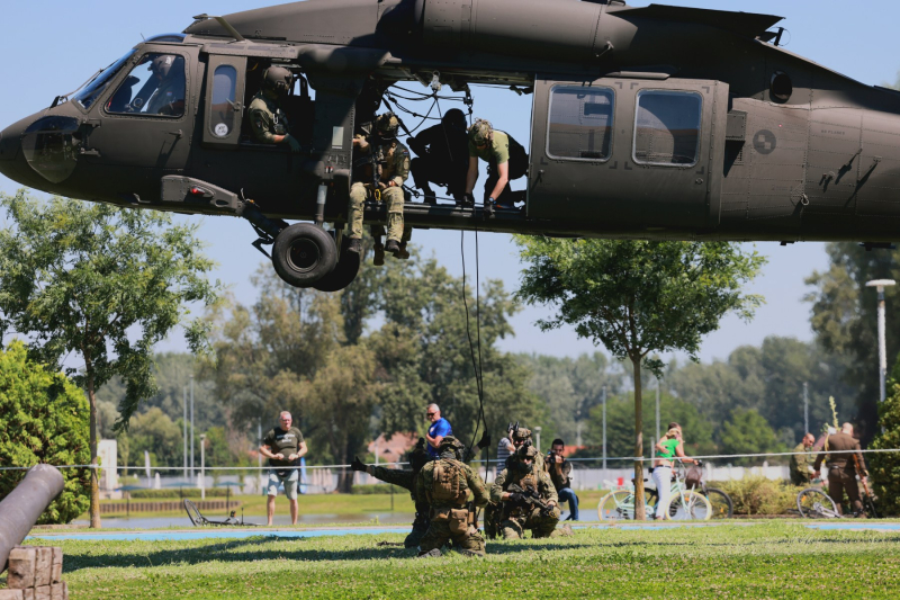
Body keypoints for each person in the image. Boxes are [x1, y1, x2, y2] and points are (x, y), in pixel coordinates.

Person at [348, 112, 410, 259]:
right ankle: (354, 239)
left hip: (387, 186)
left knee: (397, 195)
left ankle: (393, 239)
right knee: (355, 195)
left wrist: (392, 183)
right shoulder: (366, 139)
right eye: (379, 130)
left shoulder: (400, 150)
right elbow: (341, 140)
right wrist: (359, 143)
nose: (381, 133)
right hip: (366, 184)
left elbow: (403, 175)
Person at [414, 436, 489, 557]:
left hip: (437, 525)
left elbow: (420, 497)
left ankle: (435, 552)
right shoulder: (465, 469)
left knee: (424, 550)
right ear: (458, 452)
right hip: (462, 524)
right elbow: (484, 497)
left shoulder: (426, 469)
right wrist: (474, 505)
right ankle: (464, 552)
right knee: (478, 549)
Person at [351, 438, 431, 548]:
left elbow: (388, 474)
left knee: (411, 543)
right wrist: (364, 467)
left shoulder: (413, 478)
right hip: (437, 521)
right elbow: (388, 474)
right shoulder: (418, 477)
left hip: (430, 523)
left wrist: (364, 468)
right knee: (412, 542)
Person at [491, 445, 570, 539]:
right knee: (512, 539)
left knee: (554, 513)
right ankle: (518, 532)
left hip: (533, 515)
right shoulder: (508, 472)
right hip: (512, 517)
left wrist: (550, 504)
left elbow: (552, 493)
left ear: (533, 459)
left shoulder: (538, 473)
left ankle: (561, 531)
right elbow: (493, 492)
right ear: (518, 458)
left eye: (528, 458)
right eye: (522, 458)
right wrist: (511, 496)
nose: (525, 460)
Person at [464, 119, 528, 213]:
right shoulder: (473, 141)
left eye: (480, 144)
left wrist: (490, 201)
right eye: (475, 144)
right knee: (489, 189)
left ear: (487, 140)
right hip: (495, 163)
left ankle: (509, 202)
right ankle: (511, 198)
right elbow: (473, 170)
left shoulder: (498, 145)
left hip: (517, 163)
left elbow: (503, 178)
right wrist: (467, 194)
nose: (477, 147)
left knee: (492, 186)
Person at [407, 108, 469, 205]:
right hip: (447, 172)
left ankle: (429, 193)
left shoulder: (438, 130)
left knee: (416, 162)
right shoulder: (464, 136)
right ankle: (461, 198)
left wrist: (424, 155)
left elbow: (416, 142)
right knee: (416, 163)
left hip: (450, 173)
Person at [259, 411, 308, 526]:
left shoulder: (296, 432)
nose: (287, 422)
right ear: (280, 421)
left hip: (291, 470)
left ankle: (294, 524)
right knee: (271, 495)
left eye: (288, 420)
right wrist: (273, 456)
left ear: (291, 420)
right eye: (284, 420)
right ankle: (270, 523)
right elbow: (262, 449)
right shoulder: (273, 433)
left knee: (293, 498)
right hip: (275, 469)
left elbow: (304, 448)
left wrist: (297, 455)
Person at [813, 423, 869, 516]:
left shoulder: (830, 439)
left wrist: (817, 469)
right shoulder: (854, 441)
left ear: (841, 429)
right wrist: (863, 474)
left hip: (833, 473)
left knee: (836, 499)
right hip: (848, 473)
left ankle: (838, 517)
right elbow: (859, 459)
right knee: (855, 497)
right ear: (851, 431)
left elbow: (820, 455)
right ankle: (861, 516)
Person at [248, 65, 302, 152]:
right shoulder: (259, 108)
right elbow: (263, 136)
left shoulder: (271, 98)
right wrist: (287, 139)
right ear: (277, 89)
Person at [652, 427, 697, 520]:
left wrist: (671, 469)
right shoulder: (674, 442)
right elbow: (682, 457)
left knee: (663, 495)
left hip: (658, 471)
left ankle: (662, 515)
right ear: (677, 435)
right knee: (665, 496)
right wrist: (694, 460)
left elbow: (660, 460)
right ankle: (659, 517)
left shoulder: (665, 443)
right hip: (664, 470)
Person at [546, 438, 579, 521]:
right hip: (548, 491)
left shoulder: (566, 464)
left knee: (571, 492)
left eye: (560, 450)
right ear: (552, 450)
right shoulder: (547, 461)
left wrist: (558, 467)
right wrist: (546, 463)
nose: (558, 453)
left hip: (561, 492)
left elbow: (563, 481)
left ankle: (575, 520)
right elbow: (542, 476)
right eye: (555, 450)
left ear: (563, 450)